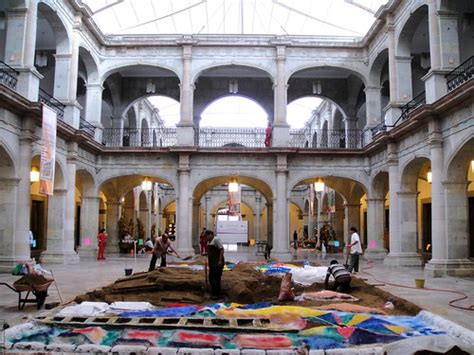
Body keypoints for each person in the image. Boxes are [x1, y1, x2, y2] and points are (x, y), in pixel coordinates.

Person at [206, 230, 224, 299]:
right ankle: (215, 293)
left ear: (211, 234)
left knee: (215, 278)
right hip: (212, 263)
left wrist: (220, 260)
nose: (206, 238)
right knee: (212, 278)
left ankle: (216, 294)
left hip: (217, 263)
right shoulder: (210, 241)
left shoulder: (216, 239)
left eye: (207, 236)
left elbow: (221, 249)